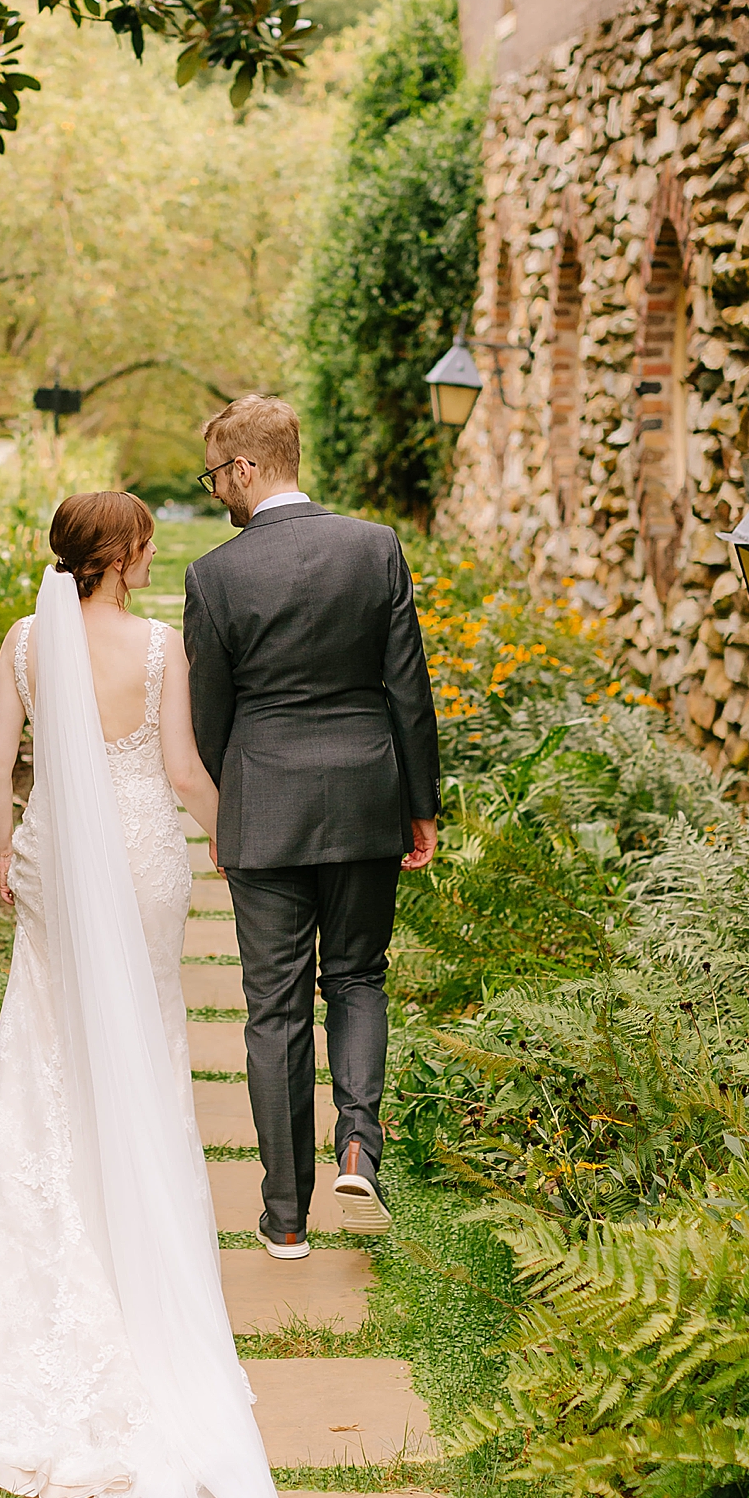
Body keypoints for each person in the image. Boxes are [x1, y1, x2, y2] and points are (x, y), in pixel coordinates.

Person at [0, 490, 342, 1498]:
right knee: (137, 1034)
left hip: (49, 860)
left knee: (46, 1051)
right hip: (139, 859)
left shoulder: (24, 640)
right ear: (132, 555)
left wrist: (7, 852)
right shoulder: (156, 645)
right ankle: (135, 1225)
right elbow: (185, 771)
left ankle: (54, 1238)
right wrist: (248, 840)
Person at [184, 396, 440, 1259]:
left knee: (275, 1009)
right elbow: (409, 687)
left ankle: (285, 1217)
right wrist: (421, 805)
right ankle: (360, 1146)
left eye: (217, 475)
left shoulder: (215, 577)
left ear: (248, 469)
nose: (218, 491)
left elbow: (208, 716)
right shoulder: (374, 549)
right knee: (359, 977)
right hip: (368, 795)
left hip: (265, 805)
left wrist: (230, 814)